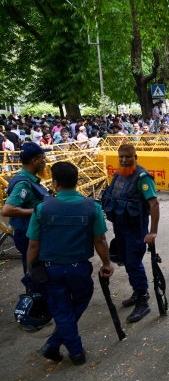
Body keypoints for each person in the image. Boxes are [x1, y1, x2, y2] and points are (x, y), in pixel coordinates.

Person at [25, 162, 113, 366]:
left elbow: (33, 244)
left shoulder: (42, 208)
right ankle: (72, 351)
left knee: (61, 309)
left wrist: (30, 268)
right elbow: (100, 240)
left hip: (51, 270)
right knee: (81, 299)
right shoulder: (92, 207)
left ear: (55, 183)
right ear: (76, 181)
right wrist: (106, 263)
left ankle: (59, 346)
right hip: (79, 269)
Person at [101, 144, 160, 323]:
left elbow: (154, 204)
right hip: (120, 226)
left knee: (134, 263)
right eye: (121, 156)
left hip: (136, 228)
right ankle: (137, 290)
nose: (124, 160)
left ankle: (143, 300)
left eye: (128, 156)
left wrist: (153, 232)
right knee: (125, 260)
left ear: (135, 157)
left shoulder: (143, 178)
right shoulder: (118, 174)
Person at [1, 143, 51, 274]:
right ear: (34, 161)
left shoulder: (30, 179)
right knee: (35, 273)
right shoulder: (23, 183)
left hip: (32, 233)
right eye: (43, 158)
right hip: (28, 235)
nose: (45, 162)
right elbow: (7, 210)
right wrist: (38, 211)